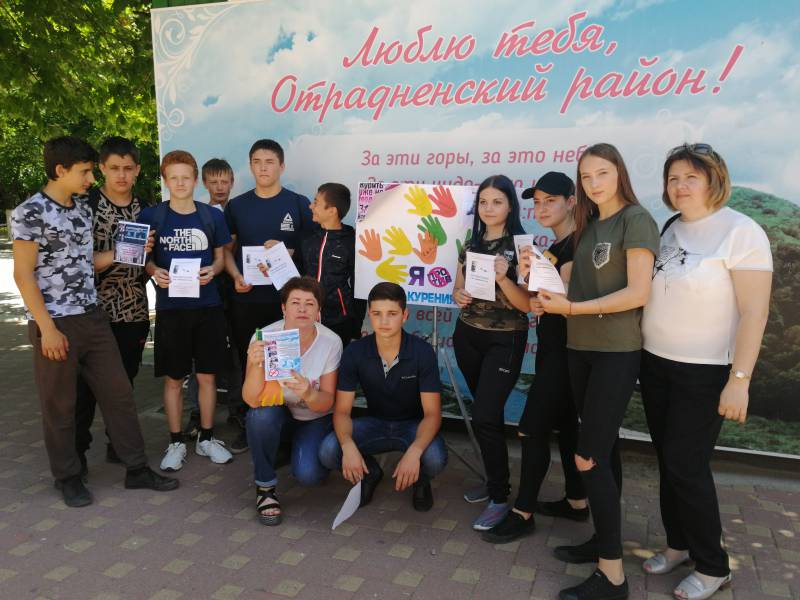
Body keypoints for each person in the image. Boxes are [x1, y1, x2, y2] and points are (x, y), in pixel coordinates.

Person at [11, 136, 178, 507]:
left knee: (119, 395)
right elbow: (23, 275)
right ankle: (68, 477)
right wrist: (47, 329)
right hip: (55, 323)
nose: (91, 179)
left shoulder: (80, 210)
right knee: (61, 406)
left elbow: (88, 262)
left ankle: (136, 469)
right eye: (85, 172)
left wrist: (126, 251)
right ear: (61, 170)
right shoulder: (30, 212)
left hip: (93, 316)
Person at [639, 144, 772, 600]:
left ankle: (714, 566)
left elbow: (754, 313)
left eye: (691, 177)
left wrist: (740, 380)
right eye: (673, 178)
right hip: (656, 363)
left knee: (686, 464)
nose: (680, 186)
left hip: (706, 371)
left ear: (715, 180)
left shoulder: (741, 231)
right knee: (668, 460)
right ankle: (678, 545)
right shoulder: (671, 228)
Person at [537, 143, 659, 600]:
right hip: (579, 348)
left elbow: (638, 292)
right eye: (586, 176)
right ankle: (604, 542)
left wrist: (570, 309)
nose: (593, 183)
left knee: (587, 457)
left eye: (601, 173)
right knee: (604, 453)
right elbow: (574, 287)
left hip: (615, 352)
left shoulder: (635, 219)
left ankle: (613, 577)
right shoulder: (588, 225)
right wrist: (546, 291)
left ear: (619, 172)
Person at [482, 172, 589, 544]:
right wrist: (527, 283)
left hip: (567, 352)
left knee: (531, 428)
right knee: (568, 426)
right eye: (537, 202)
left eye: (550, 201)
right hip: (553, 348)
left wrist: (542, 290)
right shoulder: (555, 246)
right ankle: (577, 502)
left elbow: (570, 297)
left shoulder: (579, 243)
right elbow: (539, 301)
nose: (541, 208)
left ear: (571, 202)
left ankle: (522, 513)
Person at [140, 150, 234, 471]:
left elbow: (221, 258)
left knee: (207, 376)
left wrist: (213, 271)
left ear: (196, 180)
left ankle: (207, 438)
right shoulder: (152, 216)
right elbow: (143, 258)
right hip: (171, 309)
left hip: (208, 307)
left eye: (185, 177)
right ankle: (176, 441)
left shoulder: (212, 216)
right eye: (173, 178)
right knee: (173, 379)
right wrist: (154, 270)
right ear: (165, 181)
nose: (180, 183)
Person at [318, 282, 447, 512]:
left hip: (413, 425)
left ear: (405, 316)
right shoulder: (355, 352)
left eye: (392, 314)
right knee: (329, 450)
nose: (384, 321)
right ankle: (370, 473)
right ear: (369, 314)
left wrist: (415, 452)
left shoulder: (422, 352)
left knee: (434, 458)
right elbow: (342, 411)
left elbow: (432, 414)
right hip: (375, 423)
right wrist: (348, 446)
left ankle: (420, 479)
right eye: (377, 313)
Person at [451, 174, 531, 531]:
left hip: (505, 340)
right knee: (487, 415)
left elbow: (527, 304)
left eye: (497, 201)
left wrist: (502, 278)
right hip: (467, 336)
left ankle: (500, 498)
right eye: (483, 202)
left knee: (485, 415)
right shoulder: (472, 242)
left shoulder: (522, 246)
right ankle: (494, 481)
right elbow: (458, 285)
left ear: (510, 206)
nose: (489, 208)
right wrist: (458, 294)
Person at [224, 139, 314, 453]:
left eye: (270, 162)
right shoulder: (237, 206)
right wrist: (235, 276)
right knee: (249, 361)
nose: (263, 168)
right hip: (246, 301)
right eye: (257, 162)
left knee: (287, 364)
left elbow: (311, 250)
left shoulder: (298, 203)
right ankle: (248, 421)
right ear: (250, 166)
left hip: (286, 304)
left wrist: (288, 252)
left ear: (281, 166)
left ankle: (285, 428)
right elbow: (226, 251)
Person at [74, 136, 153, 476]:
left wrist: (152, 258)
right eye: (114, 168)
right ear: (102, 169)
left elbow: (154, 260)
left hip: (134, 308)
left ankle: (117, 445)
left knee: (124, 383)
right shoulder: (85, 205)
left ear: (137, 170)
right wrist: (121, 251)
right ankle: (76, 455)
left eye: (128, 168)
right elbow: (75, 262)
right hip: (92, 311)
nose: (122, 175)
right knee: (84, 388)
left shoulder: (146, 209)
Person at [241, 276, 342, 525]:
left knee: (309, 475)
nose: (302, 309)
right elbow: (251, 399)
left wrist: (308, 392)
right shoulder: (264, 337)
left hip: (314, 417)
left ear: (318, 311)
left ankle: (290, 449)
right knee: (260, 417)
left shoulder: (331, 342)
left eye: (310, 303)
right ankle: (265, 488)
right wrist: (255, 365)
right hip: (279, 414)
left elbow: (327, 402)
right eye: (295, 302)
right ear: (283, 308)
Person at [183, 158, 241, 438]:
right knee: (200, 355)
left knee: (237, 354)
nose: (220, 187)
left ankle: (237, 409)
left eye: (224, 181)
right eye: (214, 182)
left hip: (239, 293)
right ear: (204, 183)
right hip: (206, 293)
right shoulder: (199, 214)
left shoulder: (241, 211)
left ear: (232, 182)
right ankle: (196, 413)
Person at [300, 182, 366, 348]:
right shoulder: (307, 238)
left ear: (332, 211)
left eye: (316, 202)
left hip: (339, 321)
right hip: (305, 317)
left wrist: (356, 327)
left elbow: (359, 287)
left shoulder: (352, 242)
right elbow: (295, 274)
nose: (310, 206)